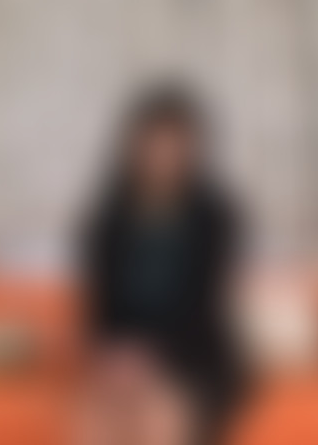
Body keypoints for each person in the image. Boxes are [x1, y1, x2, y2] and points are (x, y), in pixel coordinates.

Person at [82, 85, 241, 445]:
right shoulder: (108, 217)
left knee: (159, 418)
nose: (162, 154)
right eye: (154, 142)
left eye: (174, 144)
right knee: (91, 424)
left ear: (192, 150)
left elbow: (203, 307)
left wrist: (148, 357)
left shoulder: (215, 216)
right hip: (121, 356)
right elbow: (100, 307)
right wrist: (111, 354)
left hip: (195, 354)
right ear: (133, 147)